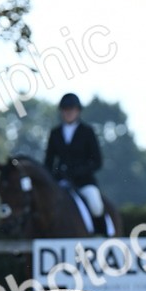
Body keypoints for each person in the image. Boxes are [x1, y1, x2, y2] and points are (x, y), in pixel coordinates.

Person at [45, 92, 105, 221]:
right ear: (61, 111)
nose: (68, 112)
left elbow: (97, 161)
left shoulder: (87, 131)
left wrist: (79, 171)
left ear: (78, 111)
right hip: (61, 181)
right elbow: (48, 161)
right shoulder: (55, 133)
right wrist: (54, 175)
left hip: (84, 182)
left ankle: (102, 231)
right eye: (65, 109)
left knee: (96, 207)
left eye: (71, 109)